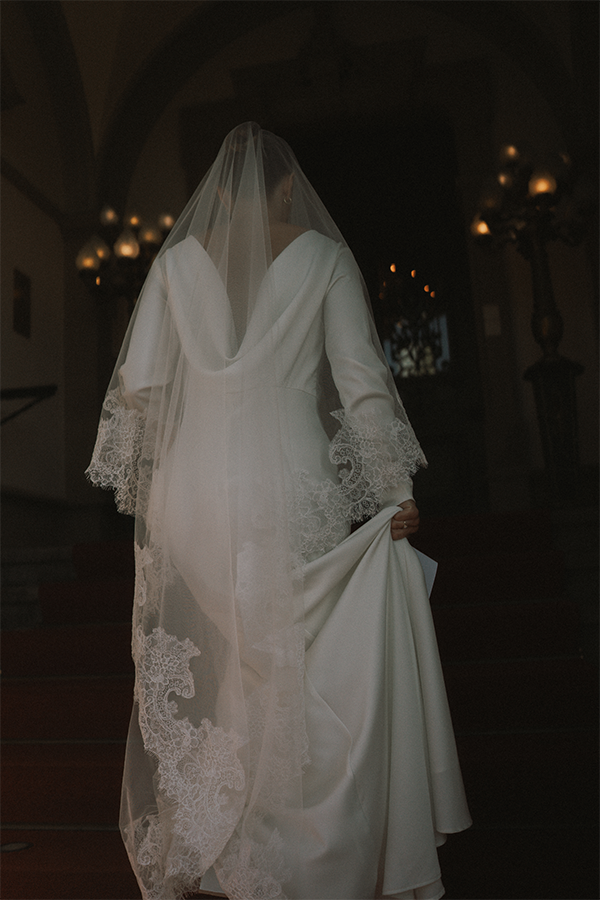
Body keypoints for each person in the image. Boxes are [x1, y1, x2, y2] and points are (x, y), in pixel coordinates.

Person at [87, 122, 471, 900]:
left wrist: (201, 424)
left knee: (244, 658)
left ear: (218, 195)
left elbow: (140, 387)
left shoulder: (175, 263)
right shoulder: (325, 257)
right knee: (298, 659)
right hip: (288, 479)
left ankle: (244, 846)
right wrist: (396, 491)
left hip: (191, 489)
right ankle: (309, 853)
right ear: (289, 188)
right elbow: (362, 384)